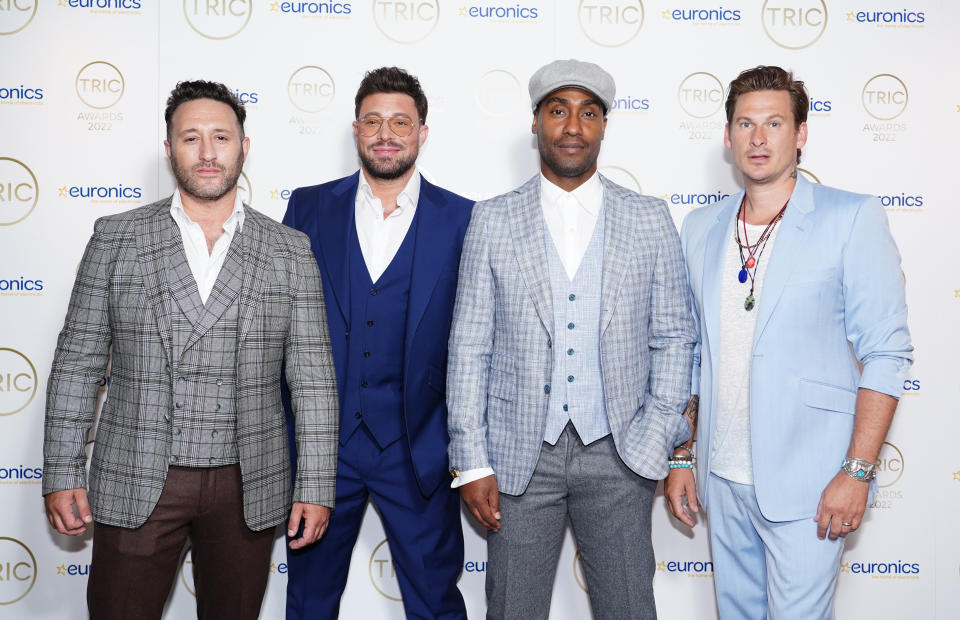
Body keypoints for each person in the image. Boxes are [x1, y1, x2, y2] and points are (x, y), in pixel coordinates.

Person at [42, 80, 339, 620]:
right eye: (191, 138)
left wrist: (316, 484)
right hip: (137, 475)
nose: (207, 153)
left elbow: (313, 380)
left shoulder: (290, 251)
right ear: (169, 149)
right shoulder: (116, 238)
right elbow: (78, 362)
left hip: (248, 482)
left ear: (243, 148)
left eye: (221, 137)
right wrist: (62, 470)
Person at [447, 58, 696, 619]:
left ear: (604, 126)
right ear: (535, 122)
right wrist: (473, 461)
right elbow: (469, 347)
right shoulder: (491, 219)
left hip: (620, 453)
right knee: (513, 608)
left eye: (588, 113)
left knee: (630, 607)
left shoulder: (649, 218)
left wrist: (656, 437)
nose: (572, 126)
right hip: (516, 457)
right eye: (558, 111)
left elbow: (675, 336)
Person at [666, 65, 913, 619]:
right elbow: (690, 351)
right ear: (728, 137)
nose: (758, 138)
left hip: (811, 482)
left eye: (774, 123)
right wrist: (682, 453)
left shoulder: (851, 217)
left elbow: (887, 354)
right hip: (721, 478)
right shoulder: (700, 226)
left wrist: (856, 472)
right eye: (745, 124)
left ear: (800, 134)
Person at [281, 66, 472, 619]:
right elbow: (282, 325)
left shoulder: (463, 218)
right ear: (356, 130)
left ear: (422, 132)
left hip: (419, 448)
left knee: (436, 601)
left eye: (399, 121)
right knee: (310, 601)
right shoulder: (308, 208)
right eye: (373, 120)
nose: (386, 133)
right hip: (323, 450)